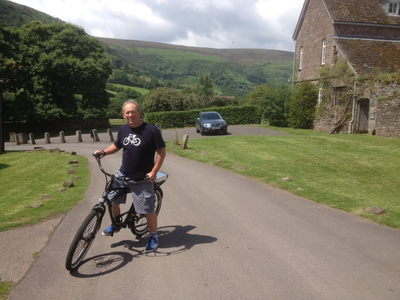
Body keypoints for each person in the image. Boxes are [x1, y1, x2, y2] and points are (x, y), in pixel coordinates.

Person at [95, 100, 166, 252]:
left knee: (147, 209)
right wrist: (104, 152)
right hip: (123, 174)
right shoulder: (123, 129)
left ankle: (154, 236)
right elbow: (117, 145)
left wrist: (153, 173)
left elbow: (161, 153)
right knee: (111, 199)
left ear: (139, 113)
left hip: (143, 178)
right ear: (123, 115)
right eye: (127, 113)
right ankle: (116, 224)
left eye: (133, 112)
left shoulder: (151, 130)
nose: (130, 115)